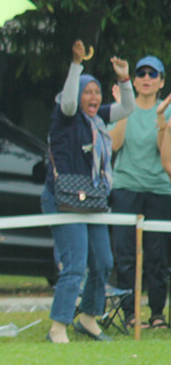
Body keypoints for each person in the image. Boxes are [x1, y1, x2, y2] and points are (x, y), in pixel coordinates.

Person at [43, 40, 133, 343]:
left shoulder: (97, 119)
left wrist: (124, 80)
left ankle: (89, 318)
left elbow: (127, 108)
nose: (93, 97)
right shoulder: (65, 117)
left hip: (92, 199)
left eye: (96, 91)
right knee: (75, 262)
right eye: (87, 91)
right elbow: (68, 102)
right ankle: (58, 326)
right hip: (63, 200)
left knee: (103, 262)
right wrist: (76, 64)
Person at [107, 56, 171, 329]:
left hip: (159, 190)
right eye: (141, 73)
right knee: (125, 253)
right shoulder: (121, 107)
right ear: (133, 80)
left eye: (152, 74)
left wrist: (160, 119)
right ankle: (130, 314)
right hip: (125, 188)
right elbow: (114, 146)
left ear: (161, 82)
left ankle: (157, 313)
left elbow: (163, 152)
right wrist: (124, 106)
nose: (146, 78)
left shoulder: (167, 111)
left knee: (158, 255)